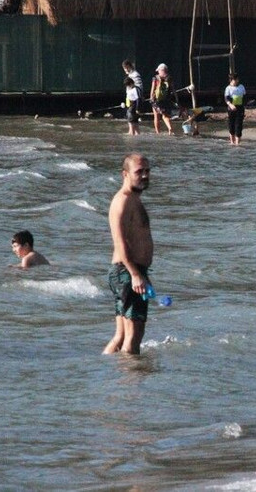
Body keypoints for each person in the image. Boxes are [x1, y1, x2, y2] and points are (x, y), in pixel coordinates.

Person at [104, 153, 154, 355]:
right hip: (127, 273)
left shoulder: (133, 199)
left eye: (147, 171)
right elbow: (119, 241)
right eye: (139, 172)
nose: (144, 175)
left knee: (121, 336)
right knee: (133, 338)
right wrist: (135, 274)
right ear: (125, 174)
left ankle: (105, 370)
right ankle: (132, 376)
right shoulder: (123, 201)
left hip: (126, 272)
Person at [150, 63, 175, 134]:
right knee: (165, 115)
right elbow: (173, 90)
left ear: (161, 70)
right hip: (166, 100)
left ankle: (158, 132)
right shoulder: (169, 78)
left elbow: (152, 89)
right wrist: (176, 99)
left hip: (156, 100)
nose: (158, 72)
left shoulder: (155, 78)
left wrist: (151, 98)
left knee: (156, 116)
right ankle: (170, 128)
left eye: (158, 70)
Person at [225, 73, 247, 145]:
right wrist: (230, 105)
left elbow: (244, 97)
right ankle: (232, 142)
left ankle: (237, 143)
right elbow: (226, 98)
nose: (237, 81)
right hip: (231, 108)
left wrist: (245, 105)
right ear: (231, 80)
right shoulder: (228, 88)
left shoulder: (241, 86)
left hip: (240, 108)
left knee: (238, 125)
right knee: (231, 125)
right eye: (235, 79)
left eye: (237, 79)